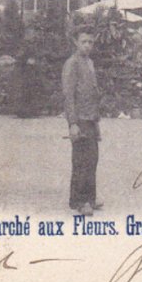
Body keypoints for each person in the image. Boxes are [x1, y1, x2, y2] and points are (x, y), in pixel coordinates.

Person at [61, 27, 102, 216]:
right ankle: (79, 201)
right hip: (80, 119)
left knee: (92, 159)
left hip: (91, 118)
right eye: (83, 41)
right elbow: (68, 95)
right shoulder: (72, 63)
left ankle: (90, 199)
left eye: (90, 42)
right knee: (81, 161)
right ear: (76, 42)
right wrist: (72, 123)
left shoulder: (89, 62)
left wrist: (96, 119)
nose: (87, 45)